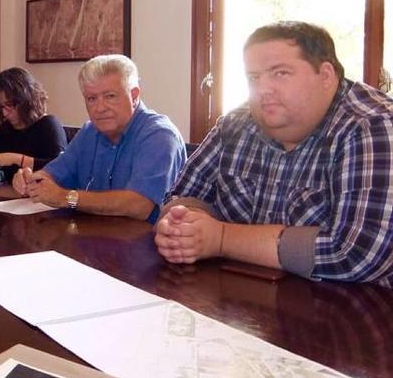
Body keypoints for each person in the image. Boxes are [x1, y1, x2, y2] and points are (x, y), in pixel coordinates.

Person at [155, 21, 393, 287]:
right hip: (242, 298)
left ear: (326, 75)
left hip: (355, 313)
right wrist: (181, 228)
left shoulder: (371, 125)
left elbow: (357, 254)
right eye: (253, 77)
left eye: (280, 73)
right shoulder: (236, 123)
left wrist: (220, 238)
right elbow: (181, 197)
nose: (263, 89)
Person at [13, 54, 186, 223]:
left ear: (134, 96)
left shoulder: (159, 135)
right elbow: (52, 174)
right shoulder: (90, 131)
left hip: (147, 245)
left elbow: (139, 205)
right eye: (92, 98)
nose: (100, 108)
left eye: (110, 96)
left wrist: (66, 197)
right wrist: (32, 181)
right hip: (91, 240)